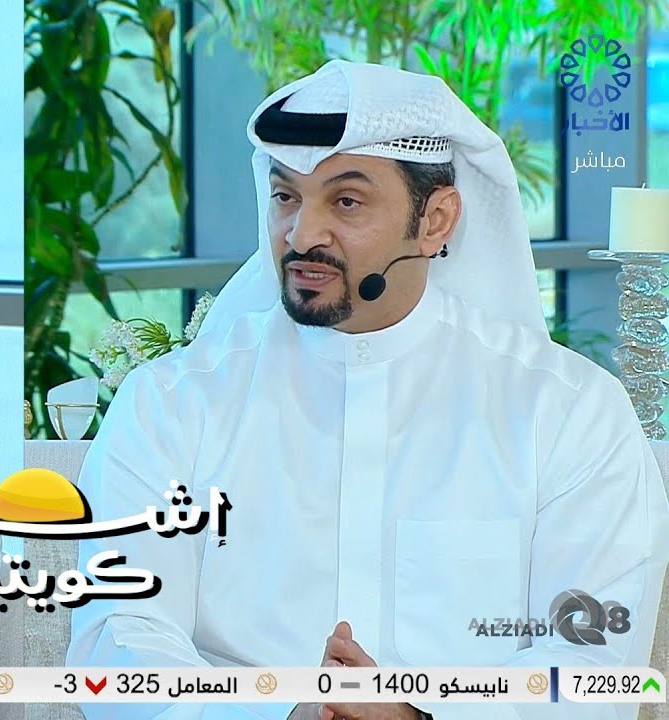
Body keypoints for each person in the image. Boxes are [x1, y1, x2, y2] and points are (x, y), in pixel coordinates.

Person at [66, 60, 669, 720]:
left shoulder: (570, 412)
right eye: (286, 197)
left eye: (346, 202)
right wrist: (280, 714)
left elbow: (591, 664)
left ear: (436, 220)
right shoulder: (169, 405)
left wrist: (418, 717)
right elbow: (117, 640)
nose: (303, 235)